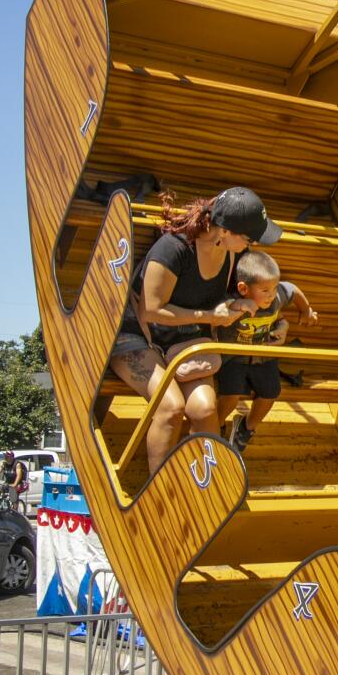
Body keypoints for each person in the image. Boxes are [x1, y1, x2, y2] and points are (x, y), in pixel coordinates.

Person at [109, 187, 282, 475]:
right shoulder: (173, 248)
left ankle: (204, 487)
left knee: (204, 409)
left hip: (181, 339)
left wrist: (235, 305)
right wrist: (211, 316)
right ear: (224, 231)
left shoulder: (230, 253)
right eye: (249, 237)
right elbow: (150, 310)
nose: (252, 244)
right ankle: (159, 491)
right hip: (136, 336)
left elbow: (216, 300)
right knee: (172, 407)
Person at [214, 250, 318, 453]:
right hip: (233, 357)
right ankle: (216, 426)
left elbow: (293, 290)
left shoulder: (277, 296)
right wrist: (235, 306)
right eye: (265, 290)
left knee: (271, 393)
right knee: (230, 394)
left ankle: (246, 427)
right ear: (243, 289)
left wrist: (306, 310)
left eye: (273, 288)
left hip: (263, 356)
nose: (271, 295)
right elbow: (218, 309)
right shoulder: (234, 302)